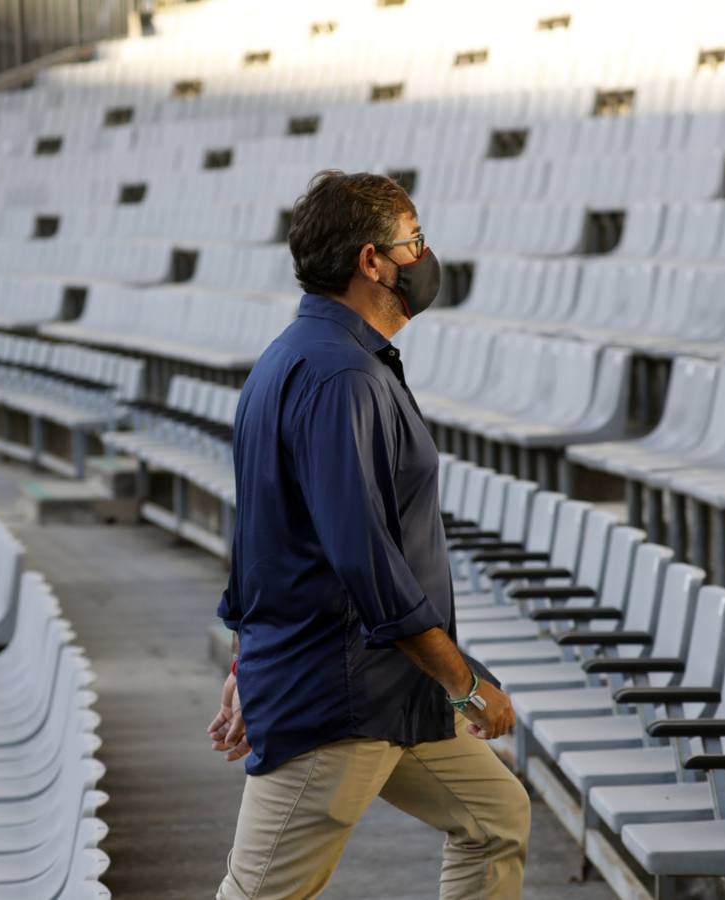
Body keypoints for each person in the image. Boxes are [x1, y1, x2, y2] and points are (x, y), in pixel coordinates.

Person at [209, 170, 530, 900]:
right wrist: (464, 681)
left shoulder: (292, 359)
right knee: (261, 892)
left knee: (494, 818)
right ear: (371, 262)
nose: (424, 255)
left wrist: (240, 664)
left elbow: (263, 538)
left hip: (388, 691)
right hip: (340, 696)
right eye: (412, 241)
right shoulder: (340, 377)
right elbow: (363, 557)